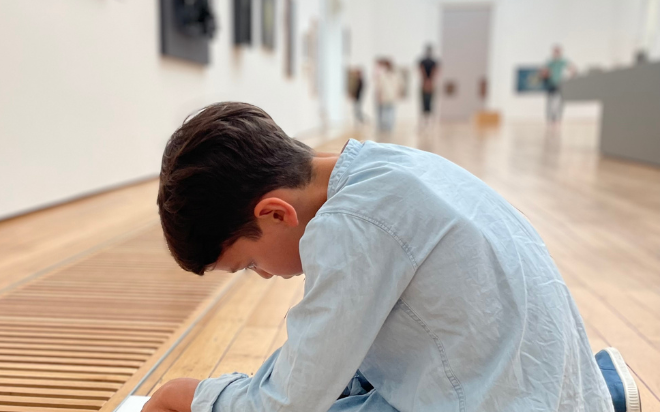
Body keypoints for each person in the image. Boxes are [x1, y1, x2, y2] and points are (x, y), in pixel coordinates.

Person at [146, 102, 641, 412]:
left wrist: (181, 397)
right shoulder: (386, 165)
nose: (264, 275)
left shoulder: (350, 228)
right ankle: (603, 391)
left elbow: (288, 403)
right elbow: (329, 359)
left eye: (249, 264)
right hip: (544, 377)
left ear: (275, 213)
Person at [542, 45, 576, 124]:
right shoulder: (550, 62)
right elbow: (544, 70)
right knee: (549, 101)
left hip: (560, 83)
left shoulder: (562, 61)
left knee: (561, 101)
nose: (557, 53)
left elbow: (571, 67)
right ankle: (549, 118)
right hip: (550, 83)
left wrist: (572, 73)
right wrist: (545, 73)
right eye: (555, 51)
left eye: (558, 51)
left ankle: (559, 117)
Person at [374, 58, 401, 131]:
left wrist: (379, 95)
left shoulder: (385, 76)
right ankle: (387, 127)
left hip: (386, 96)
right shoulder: (394, 75)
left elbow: (380, 86)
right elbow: (398, 86)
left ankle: (386, 127)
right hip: (389, 97)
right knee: (388, 112)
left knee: (386, 112)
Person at [418, 44, 438, 123]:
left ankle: (428, 118)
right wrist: (428, 80)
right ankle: (426, 118)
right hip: (427, 82)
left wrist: (427, 80)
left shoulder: (433, 62)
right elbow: (422, 70)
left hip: (427, 82)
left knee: (429, 101)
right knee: (425, 101)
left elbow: (434, 71)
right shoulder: (425, 61)